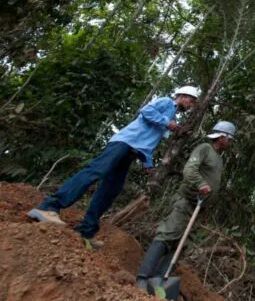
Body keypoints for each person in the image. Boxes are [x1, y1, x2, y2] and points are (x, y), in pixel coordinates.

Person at [27, 86, 200, 248]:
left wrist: (148, 163)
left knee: (111, 190)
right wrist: (166, 122)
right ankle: (49, 207)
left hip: (131, 152)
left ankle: (85, 231)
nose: (191, 105)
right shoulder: (166, 102)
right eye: (191, 101)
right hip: (123, 143)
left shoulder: (173, 118)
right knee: (95, 171)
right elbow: (146, 111)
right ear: (183, 96)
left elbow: (150, 140)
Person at [136, 120, 236, 291]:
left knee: (180, 244)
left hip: (199, 208)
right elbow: (189, 170)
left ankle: (158, 282)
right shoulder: (205, 149)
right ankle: (142, 279)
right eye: (230, 139)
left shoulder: (219, 159)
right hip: (186, 202)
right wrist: (201, 184)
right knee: (167, 235)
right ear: (221, 137)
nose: (231, 142)